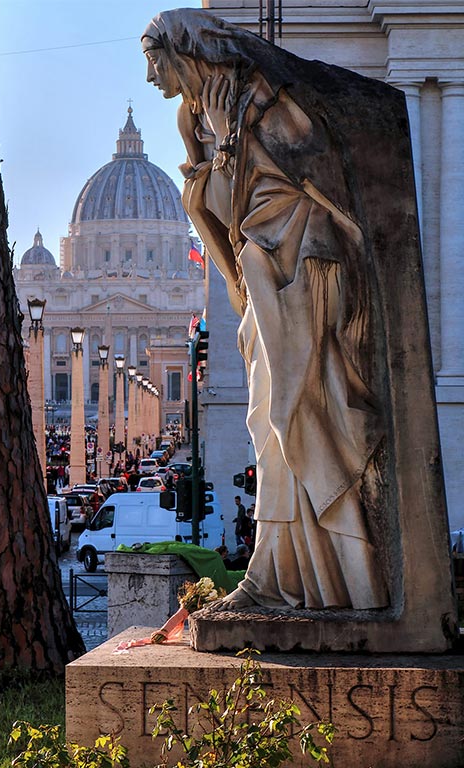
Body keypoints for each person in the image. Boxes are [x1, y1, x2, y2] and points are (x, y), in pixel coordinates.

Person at [142, 9, 394, 611]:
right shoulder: (192, 116)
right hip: (259, 269)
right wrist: (217, 155)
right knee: (267, 422)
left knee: (293, 412)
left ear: (182, 51)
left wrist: (234, 141)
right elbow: (221, 215)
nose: (151, 78)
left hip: (304, 261)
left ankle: (345, 573)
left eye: (154, 61)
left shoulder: (260, 96)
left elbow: (318, 173)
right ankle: (282, 572)